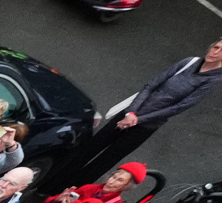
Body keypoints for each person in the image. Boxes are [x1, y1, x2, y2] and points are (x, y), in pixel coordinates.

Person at [69, 39, 222, 182]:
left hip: (145, 126)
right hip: (129, 114)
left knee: (105, 161)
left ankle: (75, 189)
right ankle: (53, 185)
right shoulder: (189, 62)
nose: (215, 52)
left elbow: (180, 106)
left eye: (221, 51)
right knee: (91, 147)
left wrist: (139, 119)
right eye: (216, 47)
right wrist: (131, 113)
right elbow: (151, 85)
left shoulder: (212, 80)